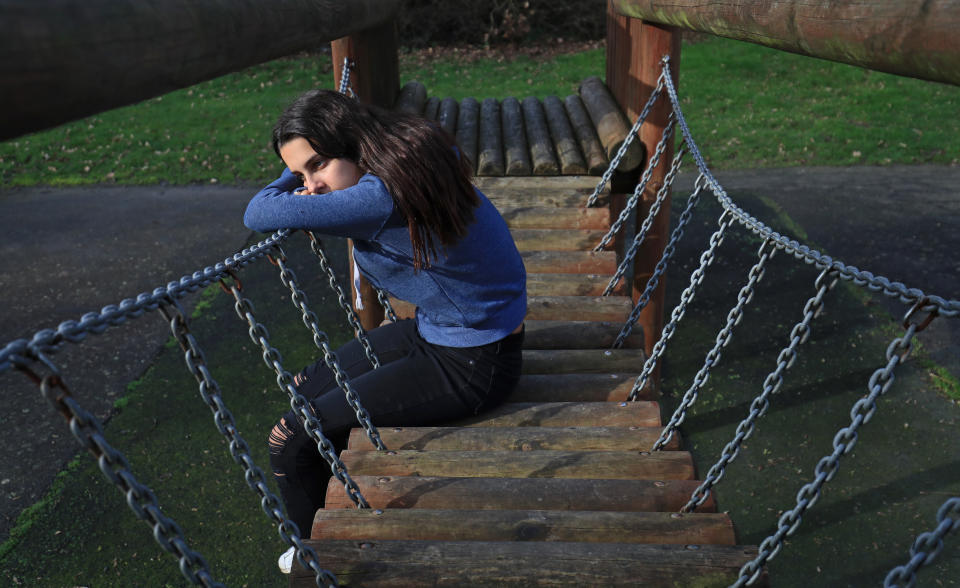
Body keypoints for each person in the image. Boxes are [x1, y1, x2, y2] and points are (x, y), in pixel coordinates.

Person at [243, 89, 527, 573]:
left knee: (291, 437)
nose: (309, 186)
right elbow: (299, 189)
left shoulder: (374, 198)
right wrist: (304, 165)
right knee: (307, 385)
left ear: (354, 142)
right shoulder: (409, 156)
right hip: (447, 330)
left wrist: (287, 181)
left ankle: (316, 552)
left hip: (474, 363)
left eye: (318, 165)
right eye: (299, 174)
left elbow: (258, 212)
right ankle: (337, 498)